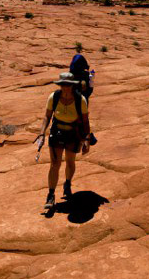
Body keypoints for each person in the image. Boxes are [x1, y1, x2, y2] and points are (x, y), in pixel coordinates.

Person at [40, 72, 91, 210]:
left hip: (73, 134)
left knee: (70, 161)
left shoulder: (80, 100)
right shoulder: (54, 97)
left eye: (68, 84)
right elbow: (47, 117)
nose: (65, 87)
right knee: (54, 164)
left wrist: (87, 139)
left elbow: (85, 121)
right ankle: (51, 195)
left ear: (72, 85)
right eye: (63, 84)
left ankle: (67, 183)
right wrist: (41, 134)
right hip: (57, 132)